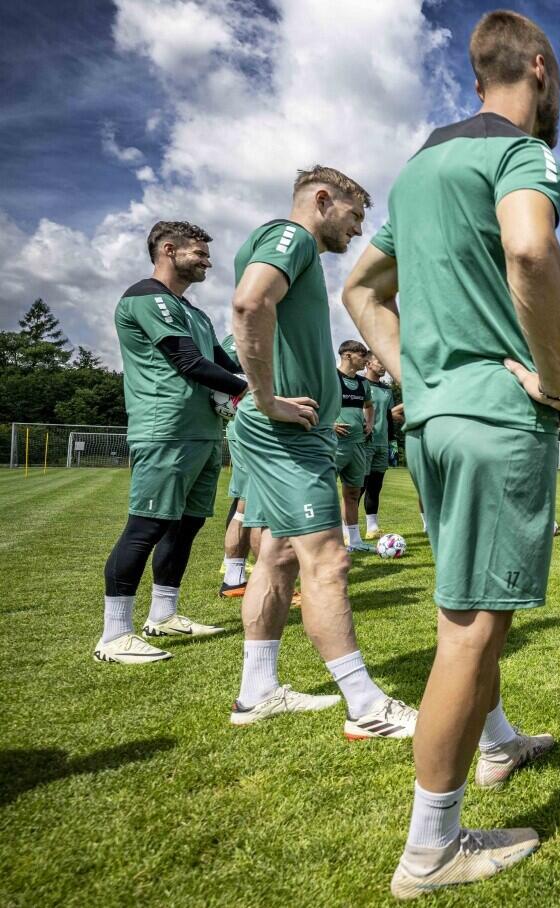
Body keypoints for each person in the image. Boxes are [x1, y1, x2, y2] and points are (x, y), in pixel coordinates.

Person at [342, 9, 560, 896]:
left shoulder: (419, 171)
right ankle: (432, 847)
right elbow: (529, 248)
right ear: (539, 69)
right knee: (470, 629)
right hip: (495, 415)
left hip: (436, 421)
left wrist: (415, 377)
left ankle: (499, 741)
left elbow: (362, 287)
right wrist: (554, 384)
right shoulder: (523, 154)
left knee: (476, 605)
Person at [228, 166, 417, 739]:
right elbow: (247, 304)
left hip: (282, 435)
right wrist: (266, 399)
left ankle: (256, 691)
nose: (359, 230)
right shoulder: (290, 238)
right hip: (287, 435)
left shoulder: (291, 249)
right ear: (322, 199)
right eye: (356, 215)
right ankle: (364, 705)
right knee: (329, 562)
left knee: (279, 558)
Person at [95, 221, 240, 663]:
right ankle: (114, 635)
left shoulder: (192, 310)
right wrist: (252, 390)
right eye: (200, 253)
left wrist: (262, 368)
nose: (207, 261)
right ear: (169, 249)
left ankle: (163, 614)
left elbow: (223, 359)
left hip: (202, 431)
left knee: (186, 525)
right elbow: (188, 361)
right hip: (165, 428)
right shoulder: (146, 297)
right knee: (147, 526)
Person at [218, 329, 254, 598]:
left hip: (264, 423)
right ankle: (234, 571)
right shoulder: (240, 336)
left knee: (249, 498)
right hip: (248, 425)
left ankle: (235, 570)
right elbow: (222, 372)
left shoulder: (277, 333)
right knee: (249, 498)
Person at [333, 340, 376, 552]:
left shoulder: (363, 383)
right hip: (334, 445)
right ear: (347, 355)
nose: (366, 360)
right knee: (324, 493)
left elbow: (369, 406)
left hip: (358, 445)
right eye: (362, 356)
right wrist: (329, 425)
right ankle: (330, 542)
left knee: (352, 493)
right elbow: (316, 404)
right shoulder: (330, 378)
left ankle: (355, 541)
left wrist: (370, 422)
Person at [361, 353, 399, 539]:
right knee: (358, 486)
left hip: (382, 444)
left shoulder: (387, 390)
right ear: (368, 363)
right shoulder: (359, 384)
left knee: (376, 486)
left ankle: (372, 528)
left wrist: (392, 442)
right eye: (379, 362)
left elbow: (388, 417)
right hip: (363, 442)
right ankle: (347, 530)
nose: (384, 366)